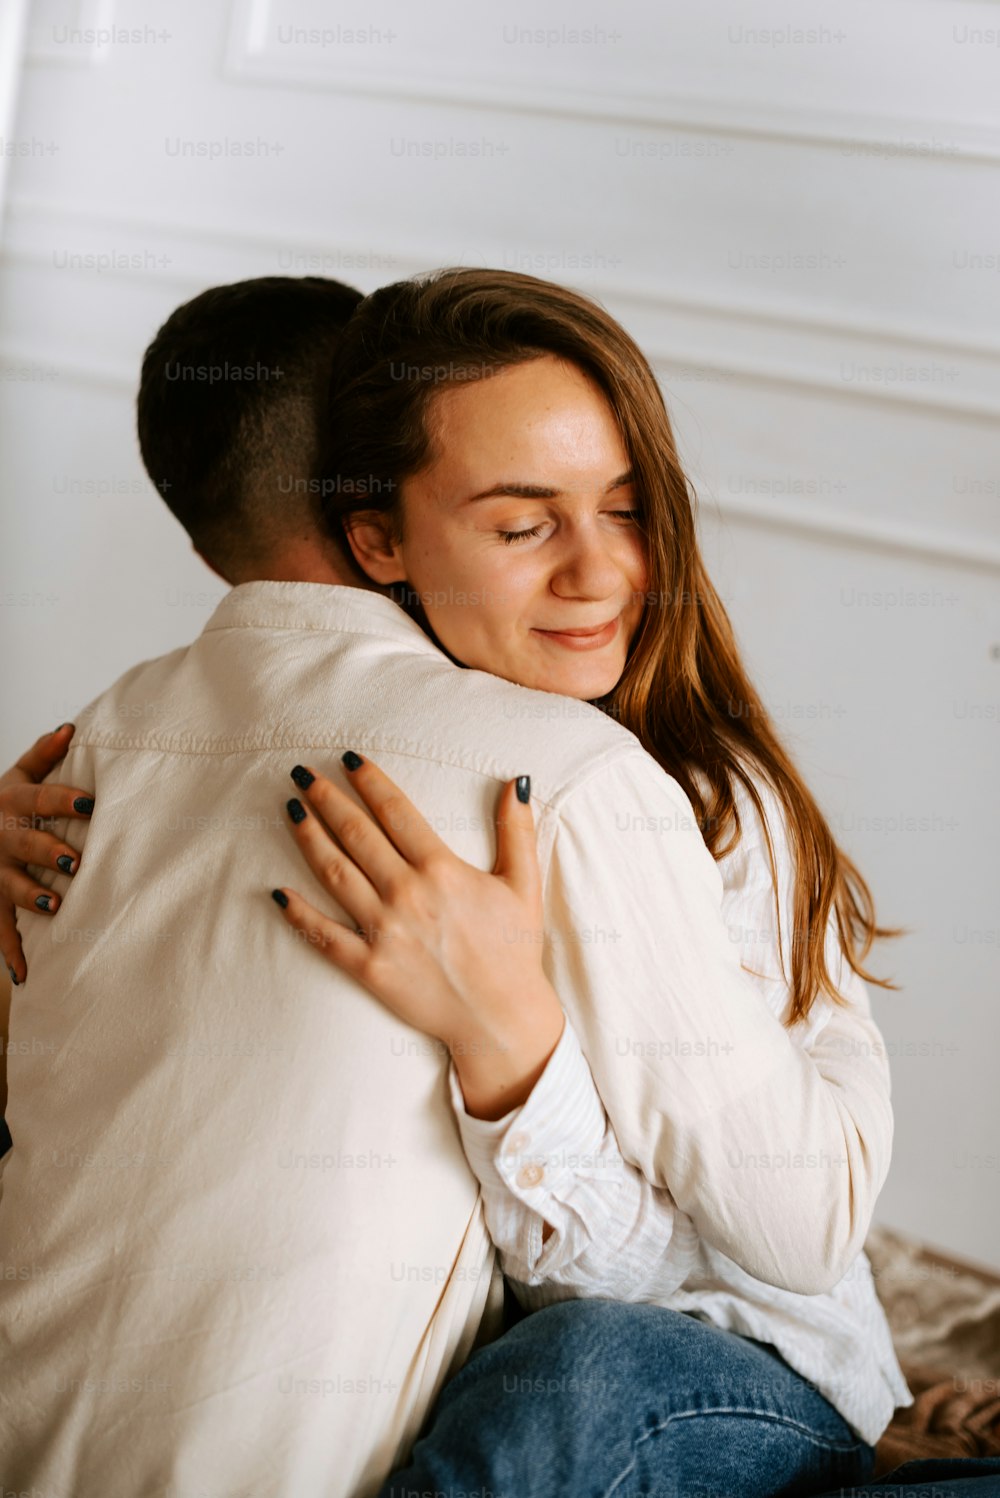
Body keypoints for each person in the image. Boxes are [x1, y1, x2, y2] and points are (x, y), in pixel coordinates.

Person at [0, 268, 914, 1497]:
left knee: (571, 1375)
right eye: (520, 519)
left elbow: (796, 1236)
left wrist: (809, 981)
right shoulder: (125, 765)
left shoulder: (646, 787)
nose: (598, 571)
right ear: (377, 534)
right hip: (530, 1331)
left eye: (626, 507)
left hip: (713, 1348)